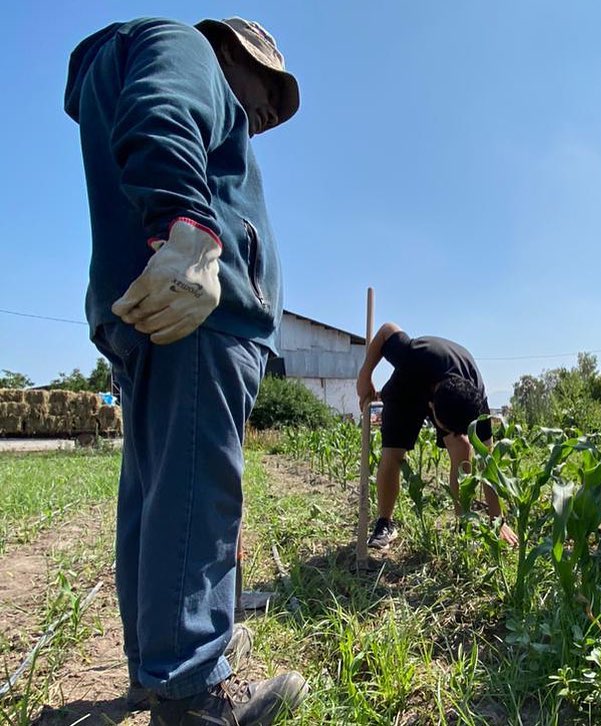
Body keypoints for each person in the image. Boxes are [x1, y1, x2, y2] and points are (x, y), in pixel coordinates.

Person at [64, 17, 307, 724]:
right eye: (268, 86)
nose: (266, 115)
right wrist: (190, 225)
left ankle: (156, 671)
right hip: (201, 316)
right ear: (229, 49)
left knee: (157, 495)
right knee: (198, 497)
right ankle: (193, 696)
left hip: (158, 314)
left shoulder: (149, 57)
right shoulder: (186, 47)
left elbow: (153, 110)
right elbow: (162, 106)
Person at [356, 323, 519, 548]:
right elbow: (386, 331)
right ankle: (385, 522)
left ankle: (463, 522)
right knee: (393, 452)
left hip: (450, 392)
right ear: (432, 407)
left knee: (463, 448)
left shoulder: (475, 399)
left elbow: (488, 462)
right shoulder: (414, 355)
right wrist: (365, 375)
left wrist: (498, 520)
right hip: (406, 390)